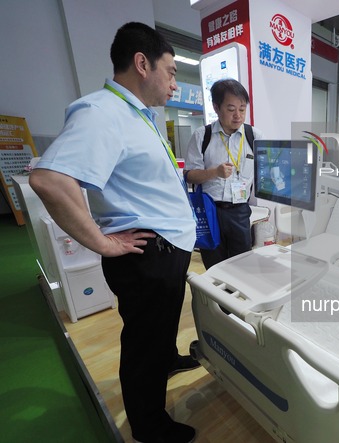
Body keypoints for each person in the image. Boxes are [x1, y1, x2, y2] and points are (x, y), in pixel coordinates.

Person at [29, 22, 198, 443]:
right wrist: (102, 242)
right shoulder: (102, 111)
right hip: (147, 254)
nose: (175, 83)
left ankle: (167, 359)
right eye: (172, 70)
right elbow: (49, 179)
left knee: (157, 332)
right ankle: (148, 425)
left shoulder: (136, 115)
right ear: (142, 63)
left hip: (165, 249)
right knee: (142, 342)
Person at [184, 79, 263, 270]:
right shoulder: (203, 135)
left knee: (243, 265)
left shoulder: (254, 136)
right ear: (217, 107)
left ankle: (240, 300)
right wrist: (215, 172)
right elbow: (189, 175)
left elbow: (266, 171)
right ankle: (219, 301)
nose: (238, 115)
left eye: (242, 109)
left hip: (240, 212)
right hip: (211, 211)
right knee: (215, 267)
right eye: (231, 109)